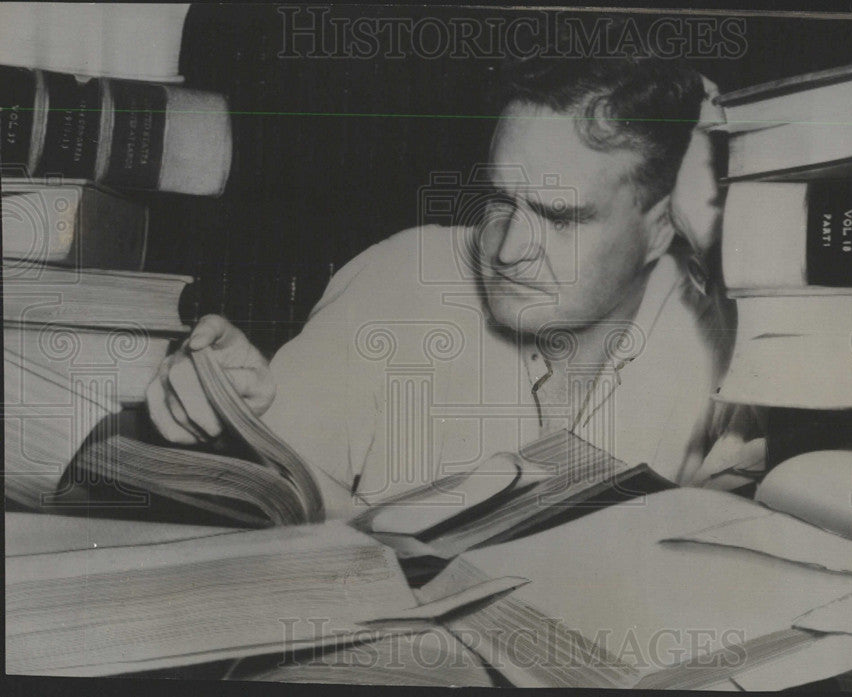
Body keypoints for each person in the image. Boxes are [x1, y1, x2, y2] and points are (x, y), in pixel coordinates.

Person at [146, 44, 765, 516]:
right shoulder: (403, 276)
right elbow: (277, 493)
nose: (510, 248)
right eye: (500, 199)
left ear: (662, 226)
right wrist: (229, 424)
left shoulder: (728, 329)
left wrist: (724, 238)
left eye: (559, 216)